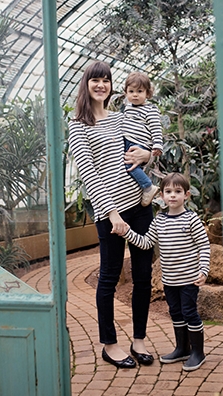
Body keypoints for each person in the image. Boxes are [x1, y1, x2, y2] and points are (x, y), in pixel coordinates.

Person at [67, 61, 156, 369]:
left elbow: (145, 145)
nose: (101, 85)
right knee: (109, 278)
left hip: (141, 208)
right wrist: (112, 213)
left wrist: (148, 154)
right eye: (96, 80)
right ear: (86, 84)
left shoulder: (121, 118)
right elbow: (88, 174)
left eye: (106, 80)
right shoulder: (78, 124)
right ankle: (110, 345)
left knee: (143, 277)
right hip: (111, 214)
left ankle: (139, 339)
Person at [121, 172, 211, 371]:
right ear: (161, 195)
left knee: (189, 312)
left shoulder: (191, 219)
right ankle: (182, 348)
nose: (172, 196)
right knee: (176, 312)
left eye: (177, 192)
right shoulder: (159, 221)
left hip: (189, 279)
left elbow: (204, 246)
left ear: (186, 195)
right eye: (168, 191)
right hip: (169, 280)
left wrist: (203, 269)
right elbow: (145, 243)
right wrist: (127, 232)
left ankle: (198, 352)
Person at [122, 72, 163, 206]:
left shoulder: (150, 110)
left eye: (139, 91)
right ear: (126, 92)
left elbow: (156, 128)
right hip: (128, 140)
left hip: (139, 143)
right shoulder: (128, 108)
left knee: (130, 163)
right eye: (131, 91)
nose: (135, 94)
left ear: (147, 93)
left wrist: (157, 145)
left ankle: (148, 187)